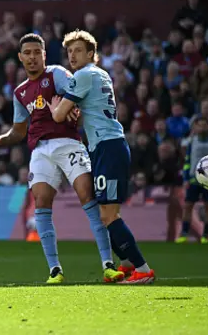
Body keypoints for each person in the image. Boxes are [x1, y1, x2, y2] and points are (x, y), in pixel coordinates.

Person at [0, 34, 124, 284]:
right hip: (40, 149)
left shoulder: (58, 75)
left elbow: (78, 99)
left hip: (68, 142)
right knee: (40, 201)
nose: (32, 57)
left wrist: (75, 113)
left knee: (87, 194)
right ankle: (55, 270)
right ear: (20, 57)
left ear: (44, 55)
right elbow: (18, 130)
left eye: (37, 52)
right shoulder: (20, 93)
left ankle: (108, 263)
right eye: (27, 53)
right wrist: (1, 139)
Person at [48, 29, 155, 284]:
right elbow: (91, 109)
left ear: (91, 54)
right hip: (107, 146)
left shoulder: (83, 75)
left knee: (108, 215)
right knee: (106, 212)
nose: (72, 56)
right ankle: (128, 265)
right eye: (69, 51)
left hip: (108, 147)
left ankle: (143, 269)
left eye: (78, 50)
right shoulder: (101, 74)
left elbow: (59, 115)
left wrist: (55, 108)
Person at [176, 116, 208, 244]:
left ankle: (206, 235)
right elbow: (187, 161)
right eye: (200, 125)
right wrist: (186, 177)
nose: (202, 127)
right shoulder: (193, 141)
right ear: (196, 127)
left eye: (204, 125)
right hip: (194, 178)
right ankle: (184, 234)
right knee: (188, 206)